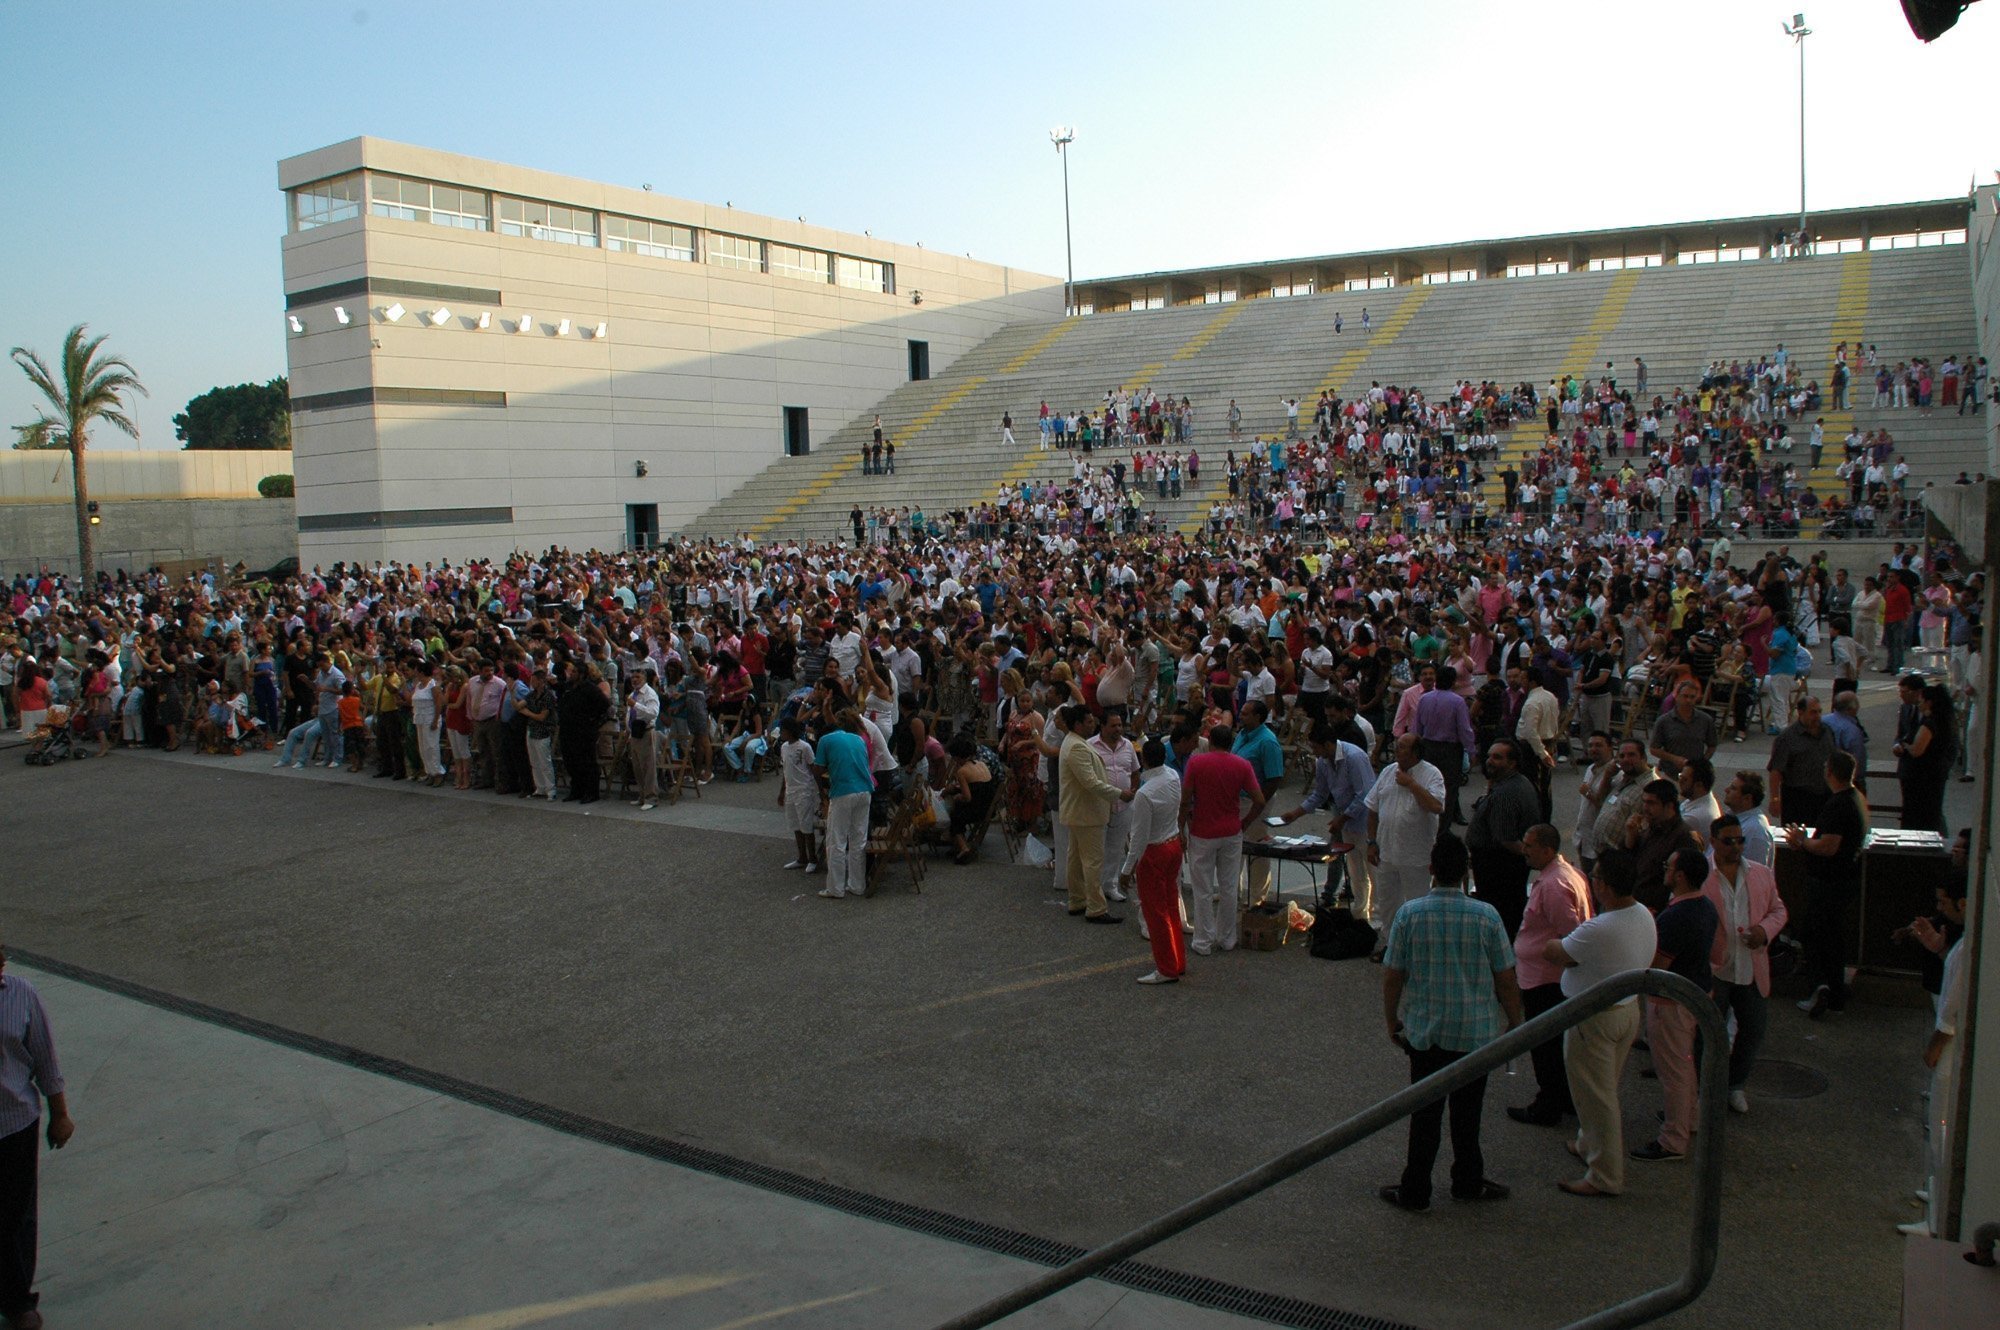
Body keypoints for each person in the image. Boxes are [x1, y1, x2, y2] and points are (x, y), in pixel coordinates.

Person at [1377, 832, 1522, 1211]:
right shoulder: (1487, 916)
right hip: (1474, 1032)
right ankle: (1467, 1181)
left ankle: (1416, 1189)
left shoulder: (1410, 914)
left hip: (1425, 1033)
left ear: (1431, 870)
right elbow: (1505, 976)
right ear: (1466, 873)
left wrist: (1392, 1020)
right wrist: (1516, 1020)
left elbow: (1394, 975)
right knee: (1467, 1114)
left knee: (1424, 1116)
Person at [1547, 850, 1658, 1197]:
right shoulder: (1642, 915)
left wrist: (1550, 940)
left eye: (1596, 877)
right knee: (1600, 1088)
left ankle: (1605, 1174)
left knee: (1598, 1097)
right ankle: (1587, 1143)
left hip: (1595, 1019)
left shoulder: (1600, 927)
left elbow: (1557, 952)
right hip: (1626, 1011)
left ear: (1604, 886)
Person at [1, 939, 74, 1330]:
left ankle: (17, 1301)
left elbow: (45, 1057)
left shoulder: (20, 994)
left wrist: (59, 1114)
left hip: (15, 1123)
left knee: (15, 1216)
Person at [1632, 849, 1719, 1163]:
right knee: (1685, 1066)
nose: (1665, 869)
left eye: (1669, 866)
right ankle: (1688, 1118)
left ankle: (1672, 1139)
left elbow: (1657, 964)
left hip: (1671, 1003)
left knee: (1673, 1072)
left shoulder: (1676, 916)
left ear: (1680, 875)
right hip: (1697, 993)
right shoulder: (1706, 906)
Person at [1702, 814, 1788, 1116]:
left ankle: (1734, 1085)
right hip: (1717, 970)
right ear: (1714, 842)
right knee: (1709, 1033)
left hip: (1751, 969)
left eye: (1740, 840)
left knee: (1752, 1031)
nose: (1736, 846)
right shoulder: (1702, 876)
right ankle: (1706, 1088)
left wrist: (1765, 930)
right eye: (1728, 841)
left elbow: (1778, 910)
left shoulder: (1761, 874)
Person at [1507, 825, 1593, 1128]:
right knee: (1554, 1045)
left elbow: (1571, 934)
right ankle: (1564, 1096)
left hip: (1546, 979)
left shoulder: (1555, 885)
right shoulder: (1564, 874)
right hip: (1543, 975)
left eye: (1529, 845)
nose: (1524, 849)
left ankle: (1548, 1105)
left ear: (1546, 849)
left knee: (1545, 1046)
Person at [1901, 873, 1968, 1236]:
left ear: (1963, 904)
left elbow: (1951, 1009)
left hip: (1951, 1043)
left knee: (1942, 1123)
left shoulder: (1968, 944)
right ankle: (1938, 1196)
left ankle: (1938, 1219)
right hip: (1953, 1038)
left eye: (1944, 903)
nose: (1939, 909)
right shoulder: (1964, 940)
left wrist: (1935, 1045)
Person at [1791, 751, 1868, 1018]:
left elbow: (1828, 846)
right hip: (1843, 881)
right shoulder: (1856, 798)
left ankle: (1823, 990)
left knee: (1818, 937)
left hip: (1829, 884)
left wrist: (1803, 841)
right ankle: (1833, 992)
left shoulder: (1839, 805)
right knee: (1830, 939)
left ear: (1831, 773)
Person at [1180, 722, 1266, 954]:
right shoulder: (1242, 765)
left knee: (1203, 888)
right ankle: (1227, 938)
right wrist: (1245, 822)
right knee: (1229, 887)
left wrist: (1181, 828)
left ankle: (1203, 940)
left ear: (1211, 743)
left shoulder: (1197, 762)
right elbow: (1259, 800)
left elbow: (1186, 798)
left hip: (1202, 831)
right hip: (1231, 831)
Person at [1364, 734, 1446, 955]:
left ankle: (1418, 949)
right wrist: (1371, 842)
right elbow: (1372, 810)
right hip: (1386, 852)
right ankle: (1392, 946)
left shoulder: (1432, 774)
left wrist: (1412, 784)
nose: (1395, 750)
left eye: (1401, 748)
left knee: (1417, 904)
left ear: (1415, 753)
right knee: (1388, 903)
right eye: (1396, 746)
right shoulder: (1388, 772)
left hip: (1416, 856)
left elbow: (1436, 806)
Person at [1118, 738, 1186, 985]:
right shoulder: (1172, 776)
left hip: (1154, 852)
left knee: (1155, 913)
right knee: (1170, 907)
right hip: (1173, 844)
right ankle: (1177, 960)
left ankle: (1166, 968)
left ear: (1144, 760)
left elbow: (1139, 837)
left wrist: (1127, 869)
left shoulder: (1145, 794)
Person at [1058, 705, 1130, 924]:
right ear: (1078, 724)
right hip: (1086, 812)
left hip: (1080, 811)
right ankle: (1096, 907)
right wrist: (1119, 794)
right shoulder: (1078, 747)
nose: (1093, 724)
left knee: (1077, 858)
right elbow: (1090, 782)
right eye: (1089, 721)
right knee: (1092, 861)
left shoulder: (1073, 742)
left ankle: (1078, 900)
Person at [1466, 739, 1540, 938]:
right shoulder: (1517, 783)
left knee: (1499, 921)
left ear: (1512, 763)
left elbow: (1505, 839)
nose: (1490, 761)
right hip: (1504, 868)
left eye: (1497, 757)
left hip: (1498, 870)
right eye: (1489, 755)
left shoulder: (1506, 794)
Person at [814, 708, 874, 901]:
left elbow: (818, 768)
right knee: (858, 839)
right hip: (865, 790)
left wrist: (822, 790)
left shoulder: (826, 740)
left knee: (836, 841)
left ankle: (835, 888)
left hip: (843, 791)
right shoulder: (858, 739)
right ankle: (857, 885)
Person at [1412, 662, 1476, 825]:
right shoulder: (1457, 702)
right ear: (1453, 682)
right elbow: (1464, 729)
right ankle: (1444, 824)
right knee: (1449, 788)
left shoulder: (1425, 699)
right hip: (1450, 750)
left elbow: (1416, 726)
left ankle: (1428, 820)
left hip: (1428, 747)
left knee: (1428, 783)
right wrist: (1472, 751)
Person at [1766, 693, 1834, 830]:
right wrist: (1775, 799)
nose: (1818, 716)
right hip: (1798, 798)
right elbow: (1776, 770)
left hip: (1825, 795)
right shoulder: (1787, 738)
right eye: (1813, 712)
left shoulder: (1827, 731)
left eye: (1819, 711)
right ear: (1800, 712)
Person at [1894, 683, 1955, 835]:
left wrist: (1905, 746)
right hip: (1933, 774)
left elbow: (1917, 750)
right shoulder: (1944, 721)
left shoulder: (1930, 723)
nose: (1919, 704)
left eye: (1921, 701)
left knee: (1922, 815)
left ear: (1929, 702)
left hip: (1923, 776)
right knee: (1932, 813)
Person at [776, 716, 821, 873]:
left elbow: (813, 768)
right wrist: (782, 792)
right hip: (791, 790)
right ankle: (802, 857)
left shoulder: (804, 747)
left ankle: (812, 858)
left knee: (806, 825)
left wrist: (820, 791)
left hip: (804, 790)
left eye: (783, 730)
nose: (781, 733)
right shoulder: (783, 748)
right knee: (796, 825)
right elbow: (785, 771)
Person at [1648, 680, 1717, 779]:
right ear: (1677, 696)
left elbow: (1712, 745)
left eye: (1692, 697)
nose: (1688, 700)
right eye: (1685, 696)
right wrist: (1674, 759)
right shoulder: (1664, 721)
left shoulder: (1705, 720)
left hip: (1694, 773)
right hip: (1669, 772)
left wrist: (1702, 762)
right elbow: (1654, 749)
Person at [1676, 757, 1721, 842]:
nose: (1679, 781)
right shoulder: (1698, 798)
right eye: (1680, 776)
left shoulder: (1695, 817)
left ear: (1699, 785)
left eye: (1684, 779)